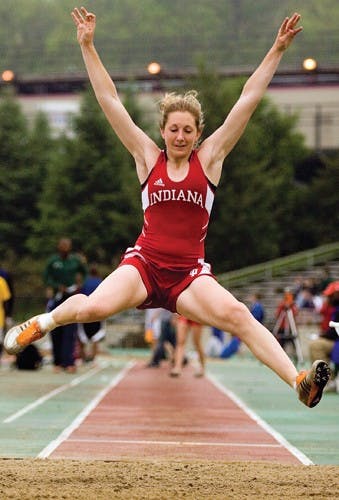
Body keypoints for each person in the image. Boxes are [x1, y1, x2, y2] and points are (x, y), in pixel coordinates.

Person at [4, 8, 330, 407]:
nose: (180, 136)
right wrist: (88, 46)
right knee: (93, 308)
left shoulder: (209, 160)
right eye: (173, 129)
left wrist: (277, 50)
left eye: (188, 130)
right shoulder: (147, 157)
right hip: (144, 267)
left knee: (239, 316)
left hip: (188, 277)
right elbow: (109, 100)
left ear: (199, 134)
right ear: (162, 131)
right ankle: (42, 322)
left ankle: (298, 380)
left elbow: (248, 97)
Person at [43, 237, 87, 373]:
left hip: (71, 298)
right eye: (62, 245)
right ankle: (57, 362)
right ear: (58, 247)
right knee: (55, 330)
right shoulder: (53, 261)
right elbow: (46, 277)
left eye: (67, 245)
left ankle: (69, 362)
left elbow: (84, 272)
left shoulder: (74, 260)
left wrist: (79, 285)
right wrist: (56, 286)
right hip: (57, 299)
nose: (65, 247)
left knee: (70, 332)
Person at [77, 263, 106, 364]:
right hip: (97, 313)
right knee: (95, 337)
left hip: (85, 312)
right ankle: (93, 358)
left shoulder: (85, 283)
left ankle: (83, 358)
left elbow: (81, 295)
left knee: (82, 337)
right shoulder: (101, 282)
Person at [0, 275, 11, 363]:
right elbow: (6, 301)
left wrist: (7, 315)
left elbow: (6, 300)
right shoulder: (1, 281)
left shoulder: (1, 281)